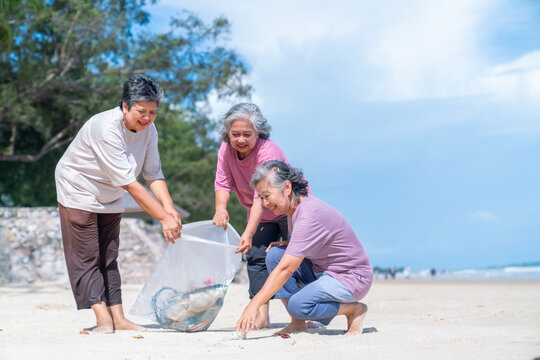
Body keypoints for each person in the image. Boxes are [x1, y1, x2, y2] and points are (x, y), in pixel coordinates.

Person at [55, 74, 182, 334]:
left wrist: (170, 209)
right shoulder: (105, 127)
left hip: (110, 192)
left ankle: (119, 319)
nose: (147, 117)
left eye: (153, 112)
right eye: (141, 111)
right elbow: (132, 185)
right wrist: (163, 219)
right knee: (87, 255)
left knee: (109, 254)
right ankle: (103, 320)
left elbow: (153, 173)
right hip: (78, 189)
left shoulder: (149, 131)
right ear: (124, 106)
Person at [237, 161, 373, 336]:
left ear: (287, 187)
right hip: (323, 271)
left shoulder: (309, 214)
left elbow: (286, 269)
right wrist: (291, 244)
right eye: (261, 198)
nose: (265, 203)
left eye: (267, 196)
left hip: (351, 277)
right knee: (274, 255)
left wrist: (253, 305)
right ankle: (298, 323)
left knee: (298, 305)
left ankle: (354, 310)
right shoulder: (293, 209)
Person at [213, 103, 294, 329]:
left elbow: (262, 195)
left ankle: (300, 315)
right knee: (256, 259)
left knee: (293, 258)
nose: (240, 140)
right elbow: (222, 182)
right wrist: (221, 208)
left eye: (247, 134)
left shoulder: (268, 151)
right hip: (261, 215)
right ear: (227, 133)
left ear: (258, 133)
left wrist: (247, 233)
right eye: (235, 134)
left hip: (287, 210)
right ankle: (261, 315)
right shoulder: (225, 150)